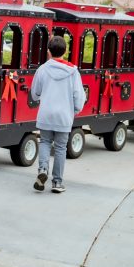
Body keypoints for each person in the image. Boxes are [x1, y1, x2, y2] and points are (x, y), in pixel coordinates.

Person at [31, 35, 86, 194]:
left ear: (48, 51)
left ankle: (42, 169)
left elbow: (35, 94)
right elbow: (78, 96)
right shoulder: (73, 71)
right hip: (64, 115)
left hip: (46, 113)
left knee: (45, 142)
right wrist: (75, 110)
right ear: (66, 51)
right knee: (61, 148)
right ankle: (57, 182)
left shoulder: (42, 69)